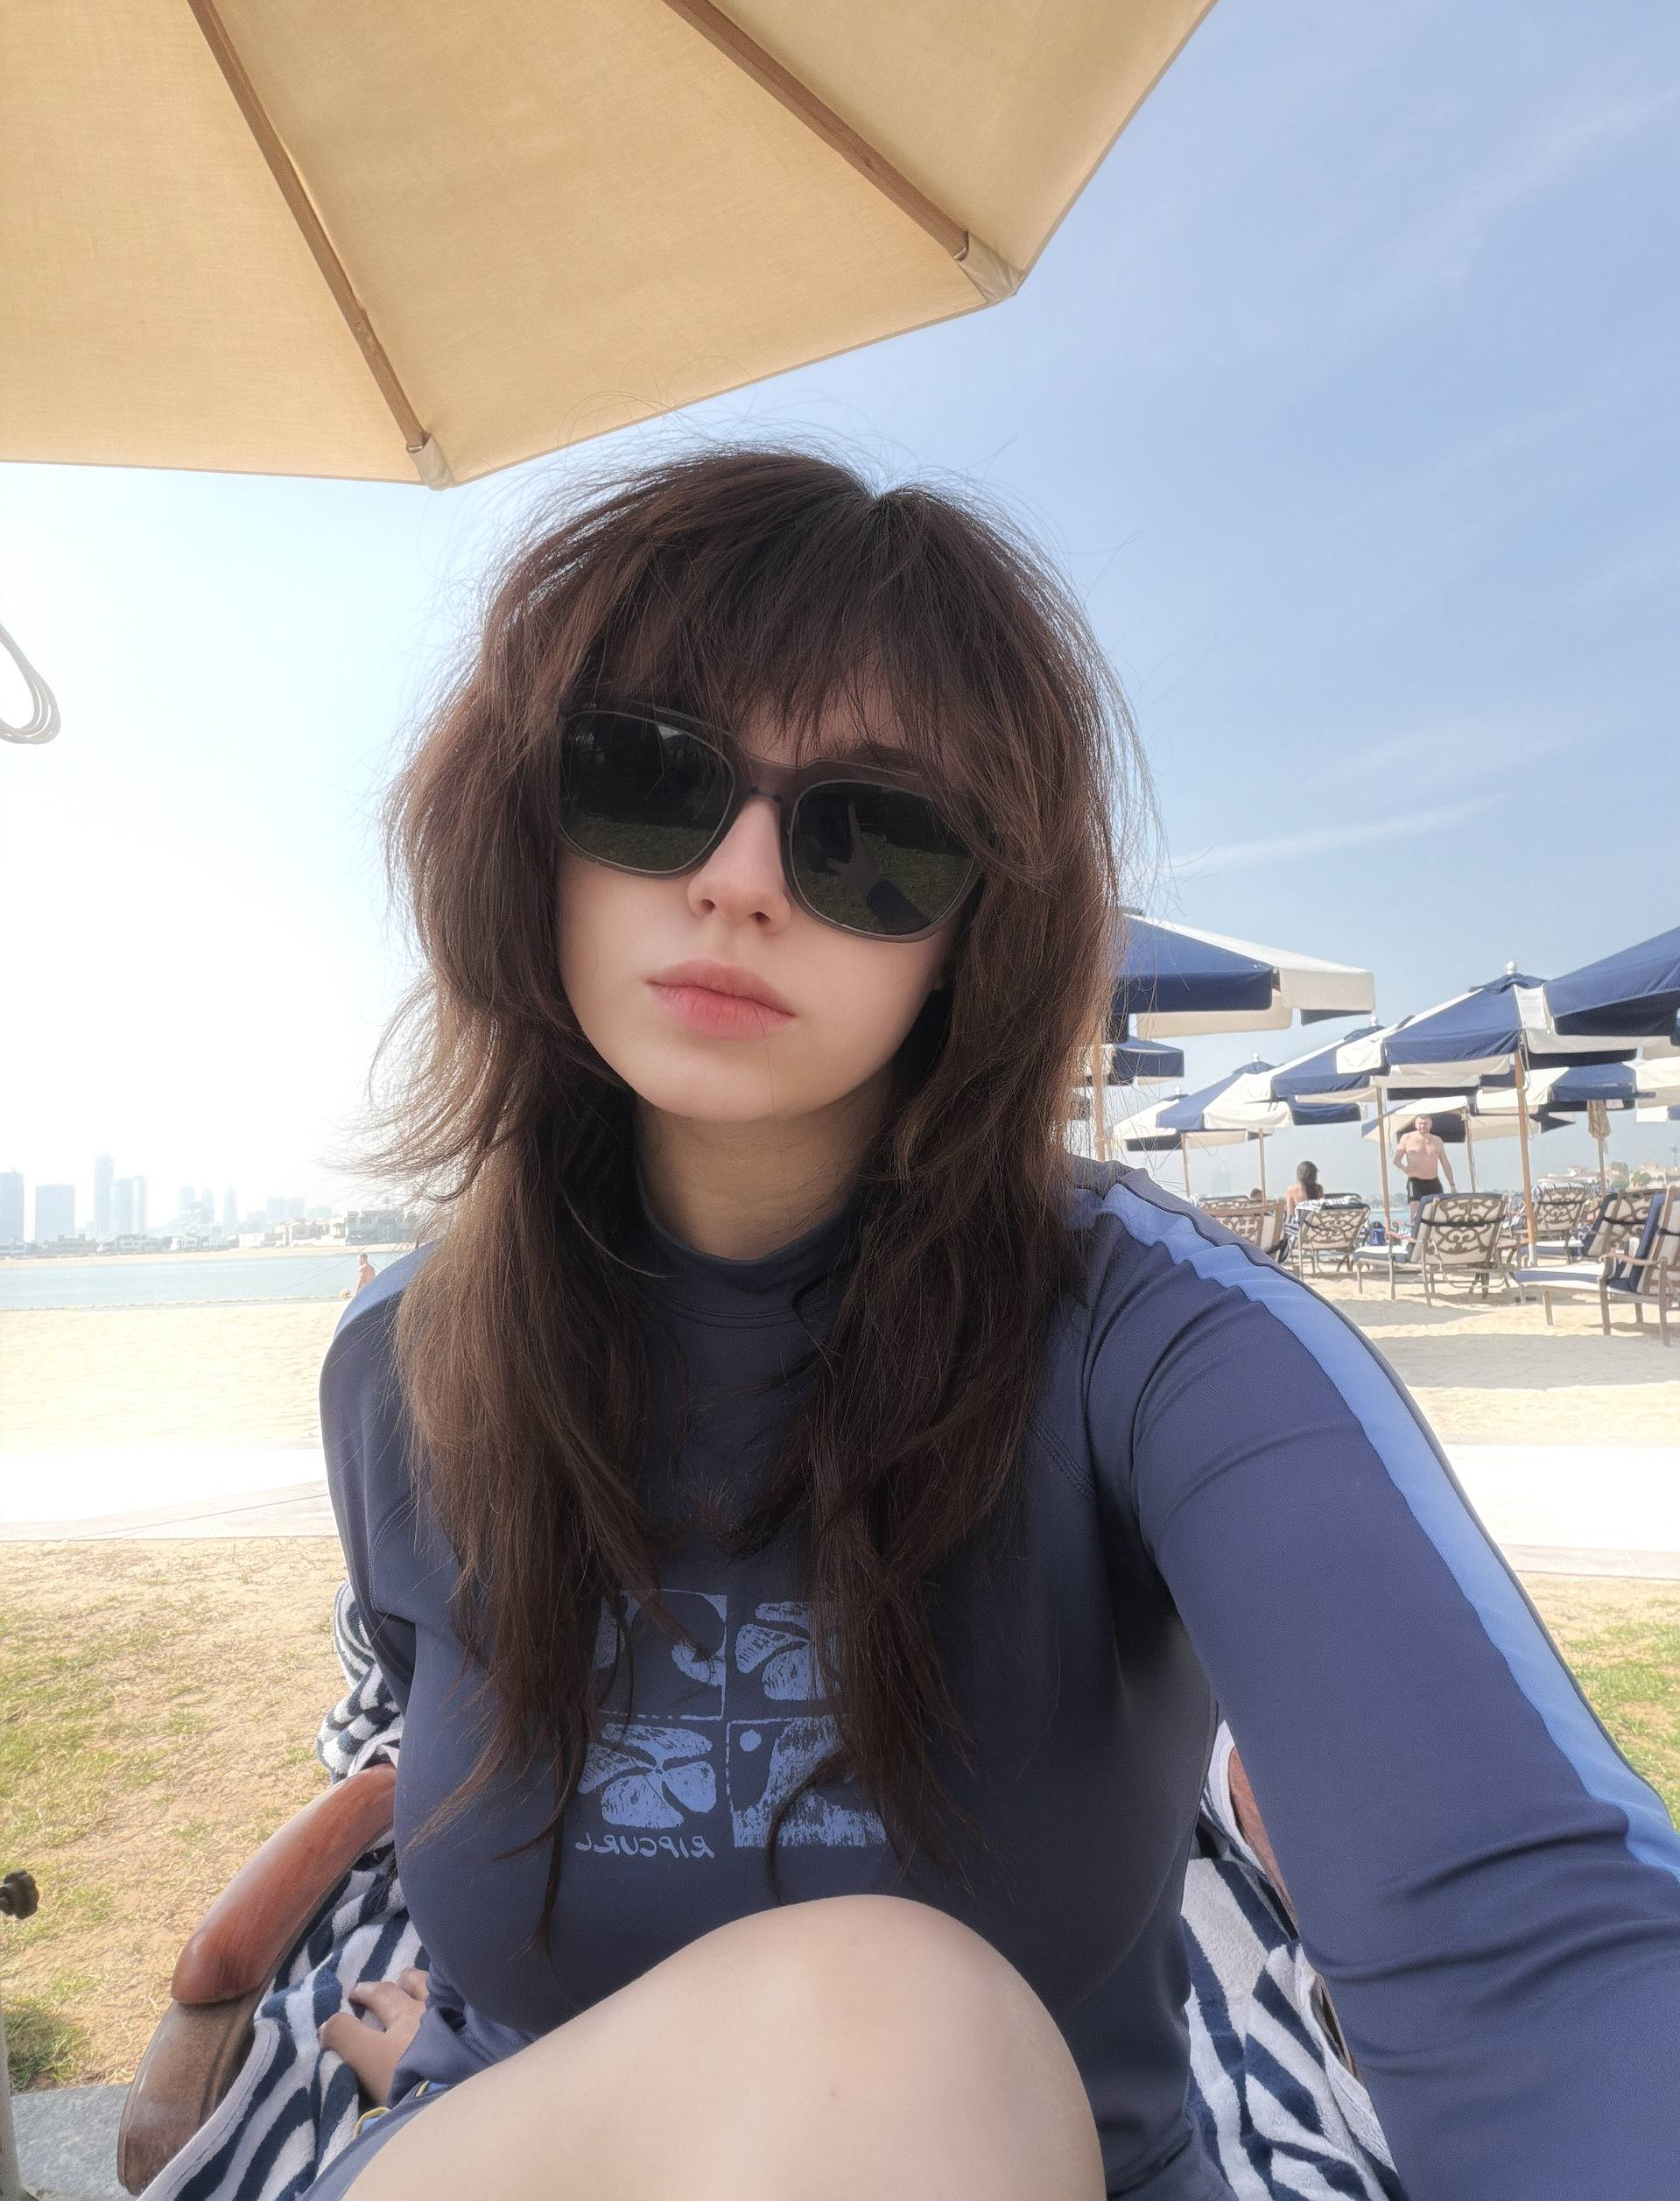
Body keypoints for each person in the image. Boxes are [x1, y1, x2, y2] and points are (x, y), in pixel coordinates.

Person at [307, 448, 1680, 2201]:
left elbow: (1522, 1923)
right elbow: (425, 1761)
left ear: (971, 931)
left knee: (900, 2034)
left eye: (870, 836)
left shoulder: (1158, 1344)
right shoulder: (405, 1366)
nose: (739, 877)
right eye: (647, 774)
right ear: (525, 824)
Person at [1392, 1112, 1456, 1201]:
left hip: (1433, 1181)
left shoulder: (1437, 1140)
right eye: (1420, 1123)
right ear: (1416, 1125)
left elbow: (1445, 1164)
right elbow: (1396, 1160)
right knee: (1415, 1208)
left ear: (1430, 1125)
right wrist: (1404, 1168)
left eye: (1425, 1124)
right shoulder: (1407, 1138)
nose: (1423, 1126)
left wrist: (1452, 1184)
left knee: (1437, 1206)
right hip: (1415, 1181)